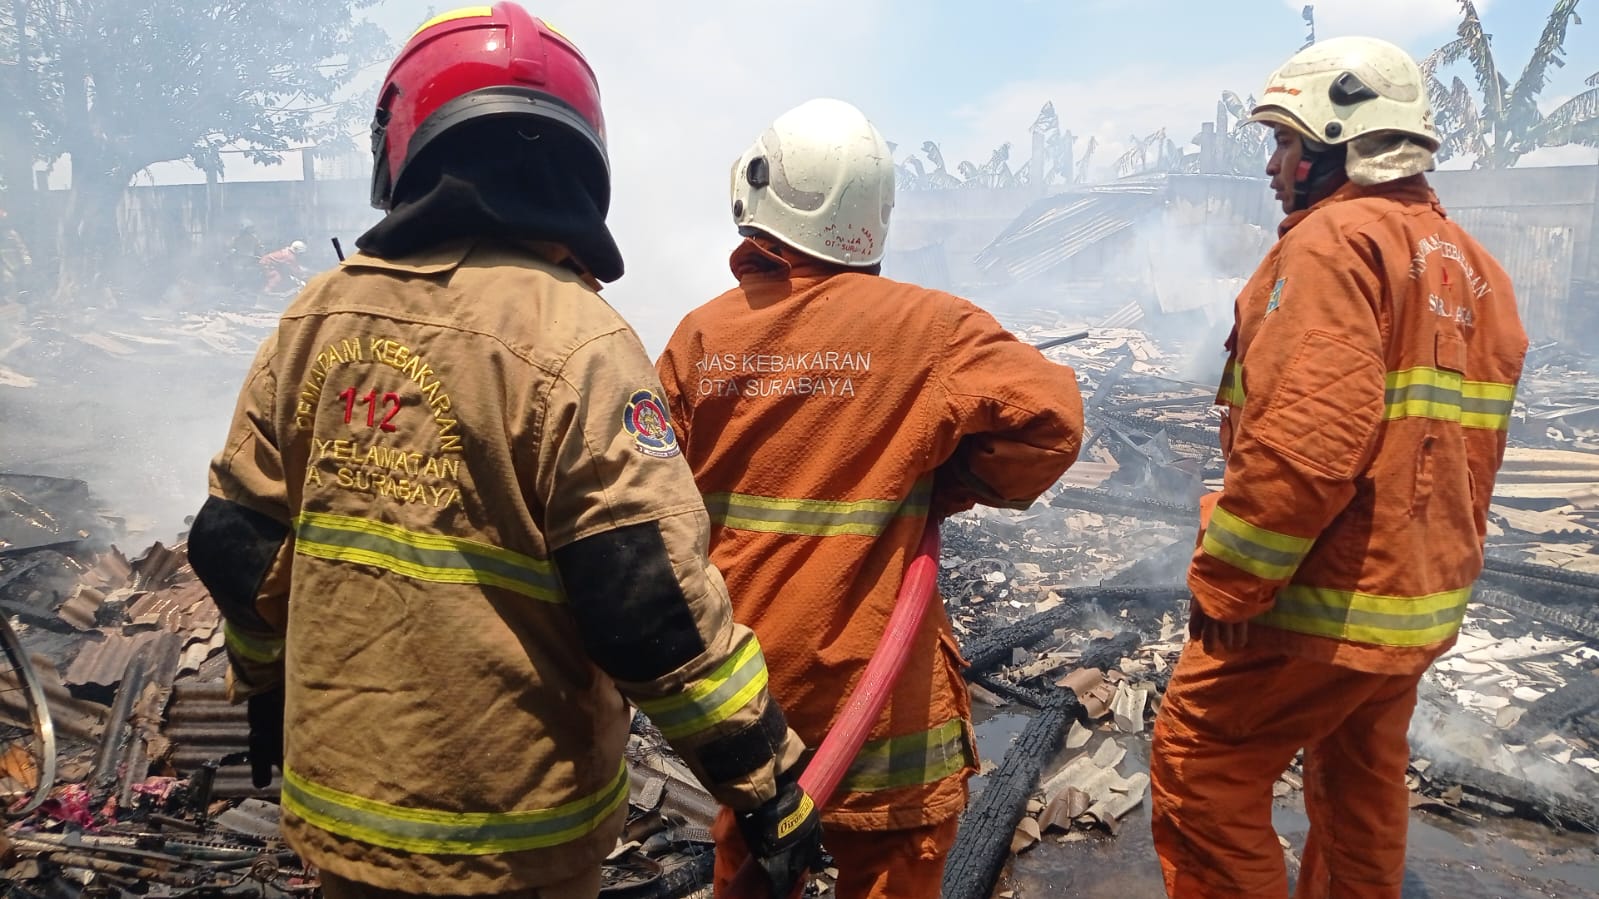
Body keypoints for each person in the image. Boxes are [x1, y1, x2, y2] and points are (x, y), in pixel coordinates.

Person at [186, 6, 818, 898]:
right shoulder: (580, 340)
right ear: (580, 158)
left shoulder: (315, 316)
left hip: (340, 812)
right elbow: (648, 607)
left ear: (405, 144)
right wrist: (765, 780)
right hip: (514, 837)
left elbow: (233, 543)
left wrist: (263, 682)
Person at [655, 98, 1085, 899]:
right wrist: (946, 481)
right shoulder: (929, 326)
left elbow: (651, 504)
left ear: (761, 193)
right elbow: (1052, 422)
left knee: (746, 863)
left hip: (747, 695)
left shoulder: (696, 339)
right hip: (880, 705)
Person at [1148, 36, 1529, 899]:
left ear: (1340, 144)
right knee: (1362, 785)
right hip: (1410, 602)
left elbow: (1310, 440)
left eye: (1287, 144)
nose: (1275, 169)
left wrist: (1228, 583)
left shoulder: (1331, 244)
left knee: (1201, 766)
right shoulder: (1476, 268)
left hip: (1317, 598)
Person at [0, 208, 31, 303]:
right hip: (4, 267)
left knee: (15, 284)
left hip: (15, 266)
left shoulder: (11, 234)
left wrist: (26, 260)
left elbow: (21, 248)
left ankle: (18, 302)